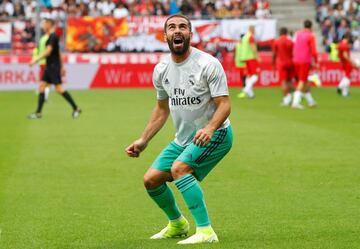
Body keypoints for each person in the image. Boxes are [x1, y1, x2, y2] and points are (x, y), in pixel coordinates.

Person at [125, 14, 232, 245]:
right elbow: (162, 109)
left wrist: (211, 128)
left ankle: (205, 231)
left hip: (217, 134)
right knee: (151, 180)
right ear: (165, 36)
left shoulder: (208, 64)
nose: (177, 30)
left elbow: (224, 104)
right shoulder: (161, 69)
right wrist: (144, 140)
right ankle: (178, 224)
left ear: (190, 35)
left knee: (180, 169)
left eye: (183, 27)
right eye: (172, 27)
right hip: (184, 139)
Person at [28, 18, 81, 119]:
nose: (43, 26)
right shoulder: (51, 37)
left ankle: (76, 108)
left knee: (59, 89)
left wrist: (35, 60)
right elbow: (58, 53)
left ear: (49, 24)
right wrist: (63, 66)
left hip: (53, 67)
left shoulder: (53, 36)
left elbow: (48, 52)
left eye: (44, 24)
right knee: (42, 86)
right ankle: (38, 112)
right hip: (50, 66)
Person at [291, 20, 318, 109]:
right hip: (305, 60)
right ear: (311, 27)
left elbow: (293, 45)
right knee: (302, 81)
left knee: (305, 80)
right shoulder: (311, 36)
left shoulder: (297, 34)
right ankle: (295, 102)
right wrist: (316, 62)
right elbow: (314, 51)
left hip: (295, 60)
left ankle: (311, 101)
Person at [272, 27, 295, 106]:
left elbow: (274, 54)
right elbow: (294, 53)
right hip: (290, 63)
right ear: (286, 33)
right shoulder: (290, 42)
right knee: (289, 81)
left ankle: (286, 99)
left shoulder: (277, 42)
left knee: (284, 82)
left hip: (281, 63)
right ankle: (292, 96)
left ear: (280, 33)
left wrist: (273, 64)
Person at [237, 25, 260, 99]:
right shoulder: (251, 37)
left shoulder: (244, 37)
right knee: (255, 76)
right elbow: (253, 47)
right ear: (252, 29)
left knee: (249, 75)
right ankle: (246, 90)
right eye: (254, 29)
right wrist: (257, 57)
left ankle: (250, 94)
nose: (255, 31)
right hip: (251, 58)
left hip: (245, 58)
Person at [32, 29, 50, 101]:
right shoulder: (47, 40)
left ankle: (42, 92)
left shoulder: (37, 46)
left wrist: (35, 61)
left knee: (43, 79)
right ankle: (44, 94)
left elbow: (35, 55)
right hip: (47, 63)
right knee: (47, 81)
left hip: (41, 63)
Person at [337, 32, 355, 97]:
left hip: (343, 62)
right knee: (348, 77)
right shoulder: (344, 45)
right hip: (346, 62)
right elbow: (345, 55)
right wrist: (351, 61)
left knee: (347, 76)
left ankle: (345, 93)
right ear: (347, 38)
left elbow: (338, 54)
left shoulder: (340, 44)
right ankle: (340, 86)